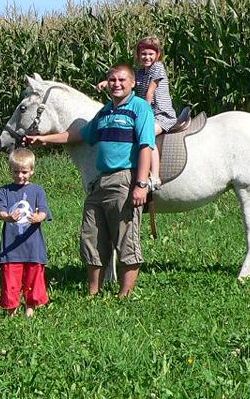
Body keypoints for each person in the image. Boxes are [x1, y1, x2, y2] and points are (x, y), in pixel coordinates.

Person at [27, 64, 155, 297]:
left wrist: (141, 184)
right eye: (112, 80)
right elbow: (80, 134)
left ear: (133, 83)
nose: (116, 84)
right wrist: (44, 139)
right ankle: (93, 292)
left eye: (122, 80)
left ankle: (125, 294)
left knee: (125, 237)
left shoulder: (140, 108)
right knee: (91, 236)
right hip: (100, 180)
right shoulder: (106, 111)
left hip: (124, 178)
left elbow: (146, 146)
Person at [98, 36, 176, 189]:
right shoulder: (140, 72)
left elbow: (150, 93)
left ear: (158, 55)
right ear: (138, 55)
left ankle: (155, 176)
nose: (147, 57)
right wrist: (107, 82)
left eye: (151, 54)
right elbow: (126, 81)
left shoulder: (157, 68)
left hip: (160, 114)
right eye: (143, 54)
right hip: (148, 112)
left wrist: (144, 114)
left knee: (147, 134)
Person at [0, 147, 51, 317]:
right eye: (16, 172)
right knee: (10, 280)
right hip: (11, 248)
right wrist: (8, 217)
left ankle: (30, 310)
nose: (20, 175)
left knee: (33, 279)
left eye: (24, 172)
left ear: (32, 171)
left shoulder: (38, 190)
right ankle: (11, 312)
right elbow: (0, 212)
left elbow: (44, 211)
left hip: (33, 247)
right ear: (10, 170)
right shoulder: (4, 191)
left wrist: (38, 218)